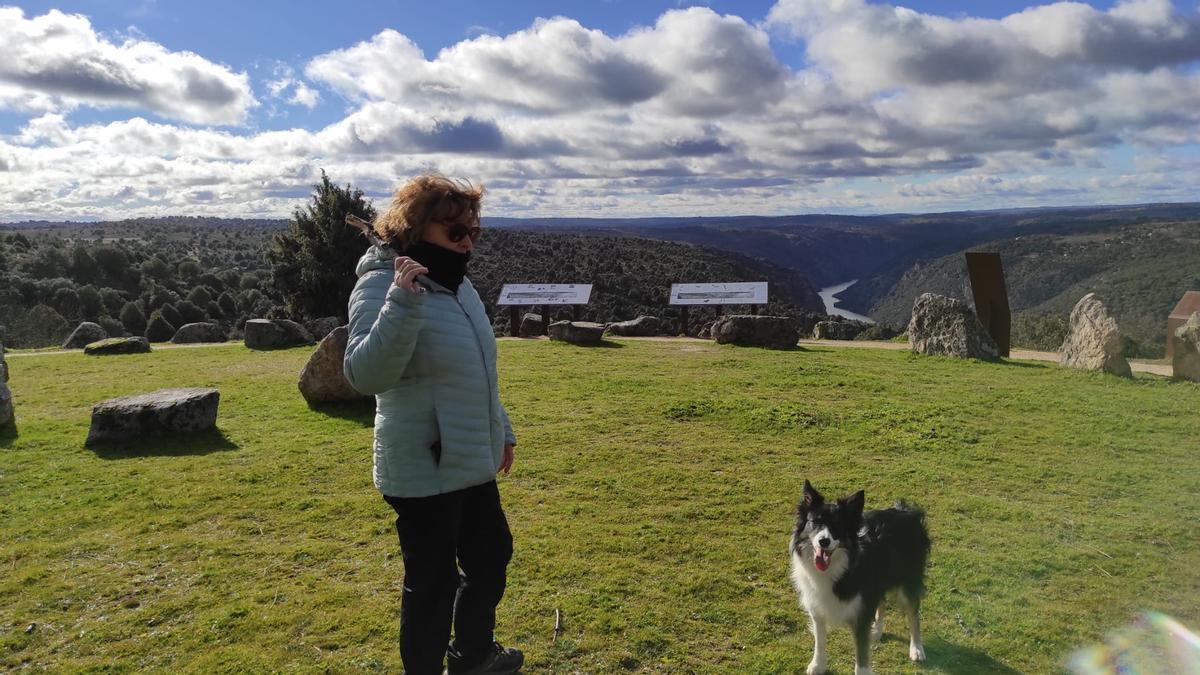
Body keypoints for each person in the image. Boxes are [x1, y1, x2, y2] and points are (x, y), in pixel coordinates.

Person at [343, 174, 522, 675]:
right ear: (417, 228)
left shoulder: (458, 286)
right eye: (455, 232)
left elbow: (478, 371)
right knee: (433, 585)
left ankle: (471, 656)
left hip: (470, 456)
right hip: (422, 465)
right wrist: (403, 303)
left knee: (490, 560)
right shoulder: (380, 284)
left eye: (473, 232)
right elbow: (363, 374)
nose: (467, 243)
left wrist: (500, 429)